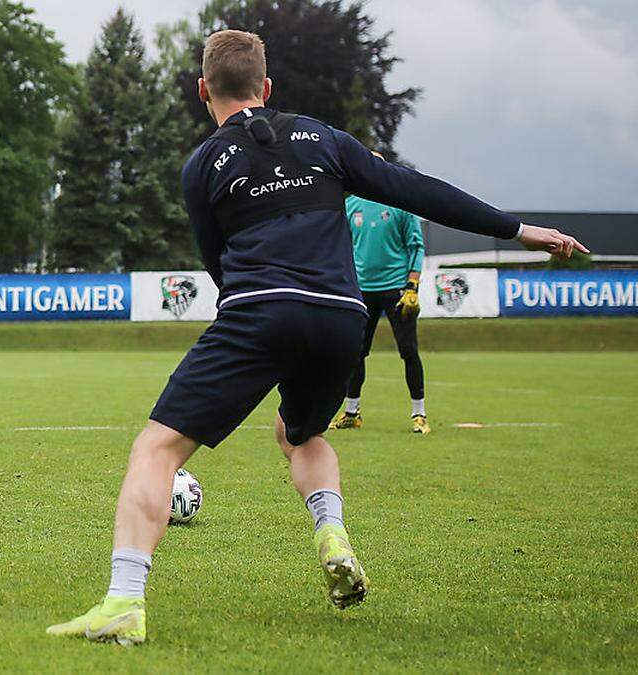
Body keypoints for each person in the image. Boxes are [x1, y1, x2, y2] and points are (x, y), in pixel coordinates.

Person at [47, 29, 587, 645]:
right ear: (267, 88)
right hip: (340, 317)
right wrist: (519, 229)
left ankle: (123, 600)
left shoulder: (202, 166)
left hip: (257, 311)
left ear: (203, 91)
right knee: (300, 432)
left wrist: (261, 321)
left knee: (157, 450)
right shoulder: (322, 138)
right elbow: (418, 191)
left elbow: (217, 262)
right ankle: (331, 532)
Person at [331, 184, 430, 434]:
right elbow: (340, 246)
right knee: (355, 352)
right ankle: (352, 412)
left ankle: (419, 413)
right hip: (360, 289)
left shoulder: (401, 205)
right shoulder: (350, 205)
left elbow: (416, 246)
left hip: (397, 288)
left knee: (409, 351)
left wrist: (413, 285)